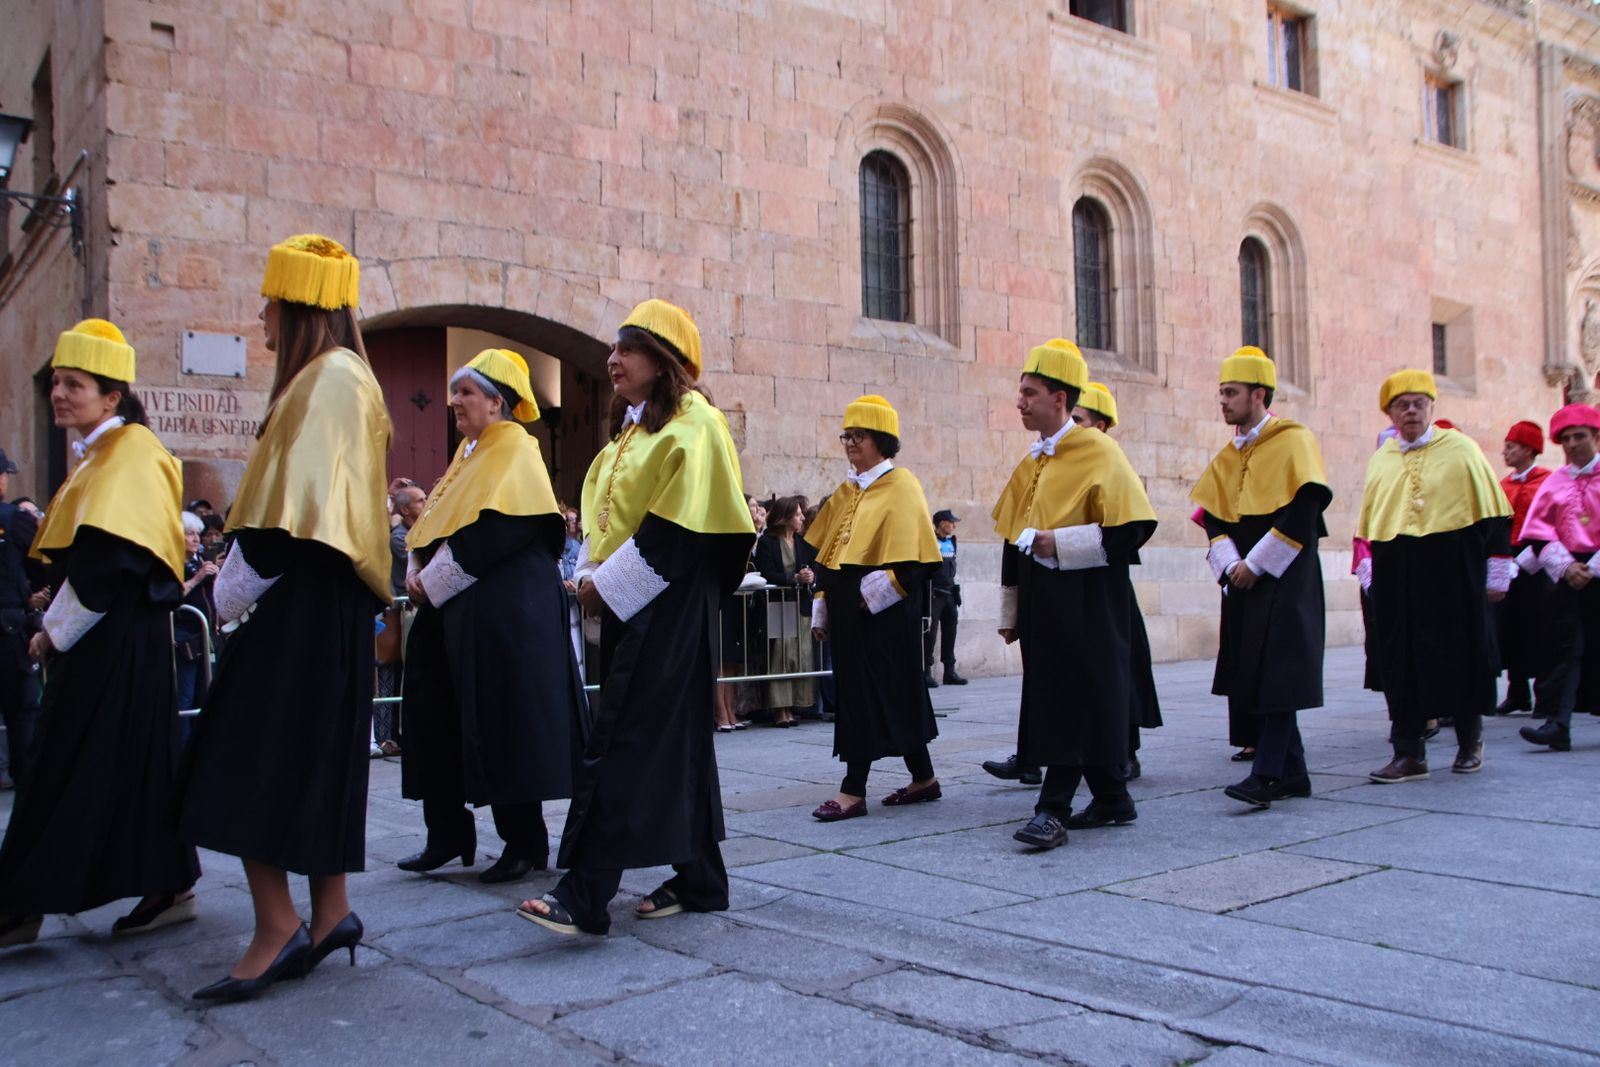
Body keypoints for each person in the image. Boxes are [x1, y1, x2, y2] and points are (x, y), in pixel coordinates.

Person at [176, 234, 392, 1000]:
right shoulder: (346, 376)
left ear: (298, 304)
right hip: (324, 607)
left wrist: (215, 594)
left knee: (238, 758)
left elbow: (281, 524)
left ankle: (276, 927)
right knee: (314, 757)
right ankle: (329, 912)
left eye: (270, 299)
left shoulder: (327, 379)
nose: (261, 314)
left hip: (298, 607)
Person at [517, 299, 754, 936]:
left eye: (626, 349)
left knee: (622, 737)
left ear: (664, 360)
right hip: (644, 602)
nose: (611, 359)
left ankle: (586, 892)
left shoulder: (694, 425)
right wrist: (596, 576)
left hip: (668, 606)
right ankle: (702, 880)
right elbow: (614, 516)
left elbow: (675, 536)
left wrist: (599, 589)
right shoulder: (640, 427)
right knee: (673, 744)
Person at [0, 318, 199, 948]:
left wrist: (53, 632)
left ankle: (19, 903)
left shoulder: (130, 454)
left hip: (113, 641)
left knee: (60, 760)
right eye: (56, 383)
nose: (59, 394)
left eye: (75, 384)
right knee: (132, 763)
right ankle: (167, 881)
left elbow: (107, 564)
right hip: (117, 642)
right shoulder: (103, 454)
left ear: (111, 396)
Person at [398, 348, 585, 884]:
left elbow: (496, 534)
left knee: (506, 724)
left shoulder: (516, 451)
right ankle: (447, 832)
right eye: (455, 391)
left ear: (497, 402)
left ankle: (524, 842)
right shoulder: (469, 453)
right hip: (454, 612)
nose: (455, 401)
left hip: (504, 621)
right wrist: (419, 567)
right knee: (435, 715)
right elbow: (435, 524)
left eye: (467, 393)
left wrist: (428, 583)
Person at [992, 339, 1157, 850]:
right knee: (1064, 697)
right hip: (1046, 604)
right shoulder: (1033, 461)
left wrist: (1057, 542)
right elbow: (1011, 539)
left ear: (1059, 398)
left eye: (1029, 393)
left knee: (1070, 700)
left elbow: (1131, 531)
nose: (1020, 402)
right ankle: (1111, 798)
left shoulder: (1099, 451)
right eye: (1019, 392)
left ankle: (1053, 807)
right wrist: (1011, 606)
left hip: (1087, 601)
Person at [1191, 348, 1332, 809]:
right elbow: (1213, 516)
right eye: (1221, 393)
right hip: (1242, 578)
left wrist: (1257, 564)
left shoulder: (1294, 440)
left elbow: (1304, 509)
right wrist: (1231, 564)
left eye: (1231, 393)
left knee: (1280, 671)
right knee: (1256, 671)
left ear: (1259, 394)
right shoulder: (1228, 456)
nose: (1223, 401)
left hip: (1284, 575)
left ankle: (1267, 773)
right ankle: (1294, 773)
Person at [1358, 369, 1511, 783]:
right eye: (1401, 405)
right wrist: (1369, 564)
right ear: (1390, 413)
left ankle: (1469, 740)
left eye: (1418, 403)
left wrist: (1497, 570)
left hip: (1453, 564)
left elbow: (1495, 515)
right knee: (1400, 656)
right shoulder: (1382, 458)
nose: (1410, 411)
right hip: (1397, 566)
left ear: (1431, 407)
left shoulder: (1461, 449)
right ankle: (1409, 752)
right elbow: (1373, 519)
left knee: (1459, 650)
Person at [805, 395, 943, 822]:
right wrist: (824, 603)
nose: (850, 443)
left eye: (858, 436)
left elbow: (916, 562)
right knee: (874, 695)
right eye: (846, 435)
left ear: (881, 440)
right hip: (848, 612)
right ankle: (924, 778)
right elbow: (824, 557)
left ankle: (853, 790)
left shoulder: (902, 486)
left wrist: (873, 595)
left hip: (885, 616)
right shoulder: (844, 491)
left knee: (875, 694)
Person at [1065, 380, 1161, 780]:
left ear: (1101, 426)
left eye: (1079, 419)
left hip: (1107, 580)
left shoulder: (1110, 461)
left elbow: (1126, 529)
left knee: (1120, 664)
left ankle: (1126, 750)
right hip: (1069, 582)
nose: (1071, 426)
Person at [1515, 404, 1600, 752]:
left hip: (1595, 567)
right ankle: (1558, 723)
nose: (1572, 444)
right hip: (1566, 574)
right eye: (1565, 439)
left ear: (1596, 437)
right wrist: (1567, 567)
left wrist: (1592, 568)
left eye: (1579, 436)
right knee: (1567, 648)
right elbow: (1538, 533)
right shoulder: (1555, 482)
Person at [1491, 421, 1551, 716]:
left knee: (1539, 627)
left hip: (1538, 563)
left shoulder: (1547, 482)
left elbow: (1551, 525)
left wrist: (1527, 561)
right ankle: (1517, 693)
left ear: (1528, 450)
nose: (1505, 452)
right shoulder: (1503, 485)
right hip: (1508, 559)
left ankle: (1544, 694)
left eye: (1511, 446)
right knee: (1509, 626)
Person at [753, 495, 816, 729]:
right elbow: (767, 573)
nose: (802, 518)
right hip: (779, 606)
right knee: (781, 656)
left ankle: (793, 705)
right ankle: (780, 708)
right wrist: (793, 578)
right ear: (786, 516)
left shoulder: (802, 543)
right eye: (798, 514)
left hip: (799, 606)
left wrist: (810, 575)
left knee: (799, 654)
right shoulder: (769, 542)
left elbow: (813, 565)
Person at [0, 447, 40, 793]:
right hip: (7, 630)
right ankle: (26, 784)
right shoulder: (15, 520)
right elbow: (42, 561)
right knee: (21, 711)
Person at [376, 484, 426, 756]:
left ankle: (399, 732)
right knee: (389, 677)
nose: (426, 503)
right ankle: (386, 736)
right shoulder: (399, 537)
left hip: (407, 615)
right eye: (420, 501)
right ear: (405, 509)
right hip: (396, 616)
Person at [175, 511, 219, 726]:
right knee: (185, 696)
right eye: (188, 533)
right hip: (184, 637)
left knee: (207, 694)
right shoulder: (174, 564)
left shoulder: (200, 560)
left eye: (197, 534)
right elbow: (173, 594)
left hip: (206, 636)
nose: (195, 538)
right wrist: (198, 577)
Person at [924, 509, 966, 688]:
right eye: (951, 522)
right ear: (941, 523)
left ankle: (949, 671)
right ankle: (926, 671)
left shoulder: (952, 541)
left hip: (949, 592)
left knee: (950, 631)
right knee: (930, 634)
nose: (953, 526)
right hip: (934, 593)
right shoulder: (930, 541)